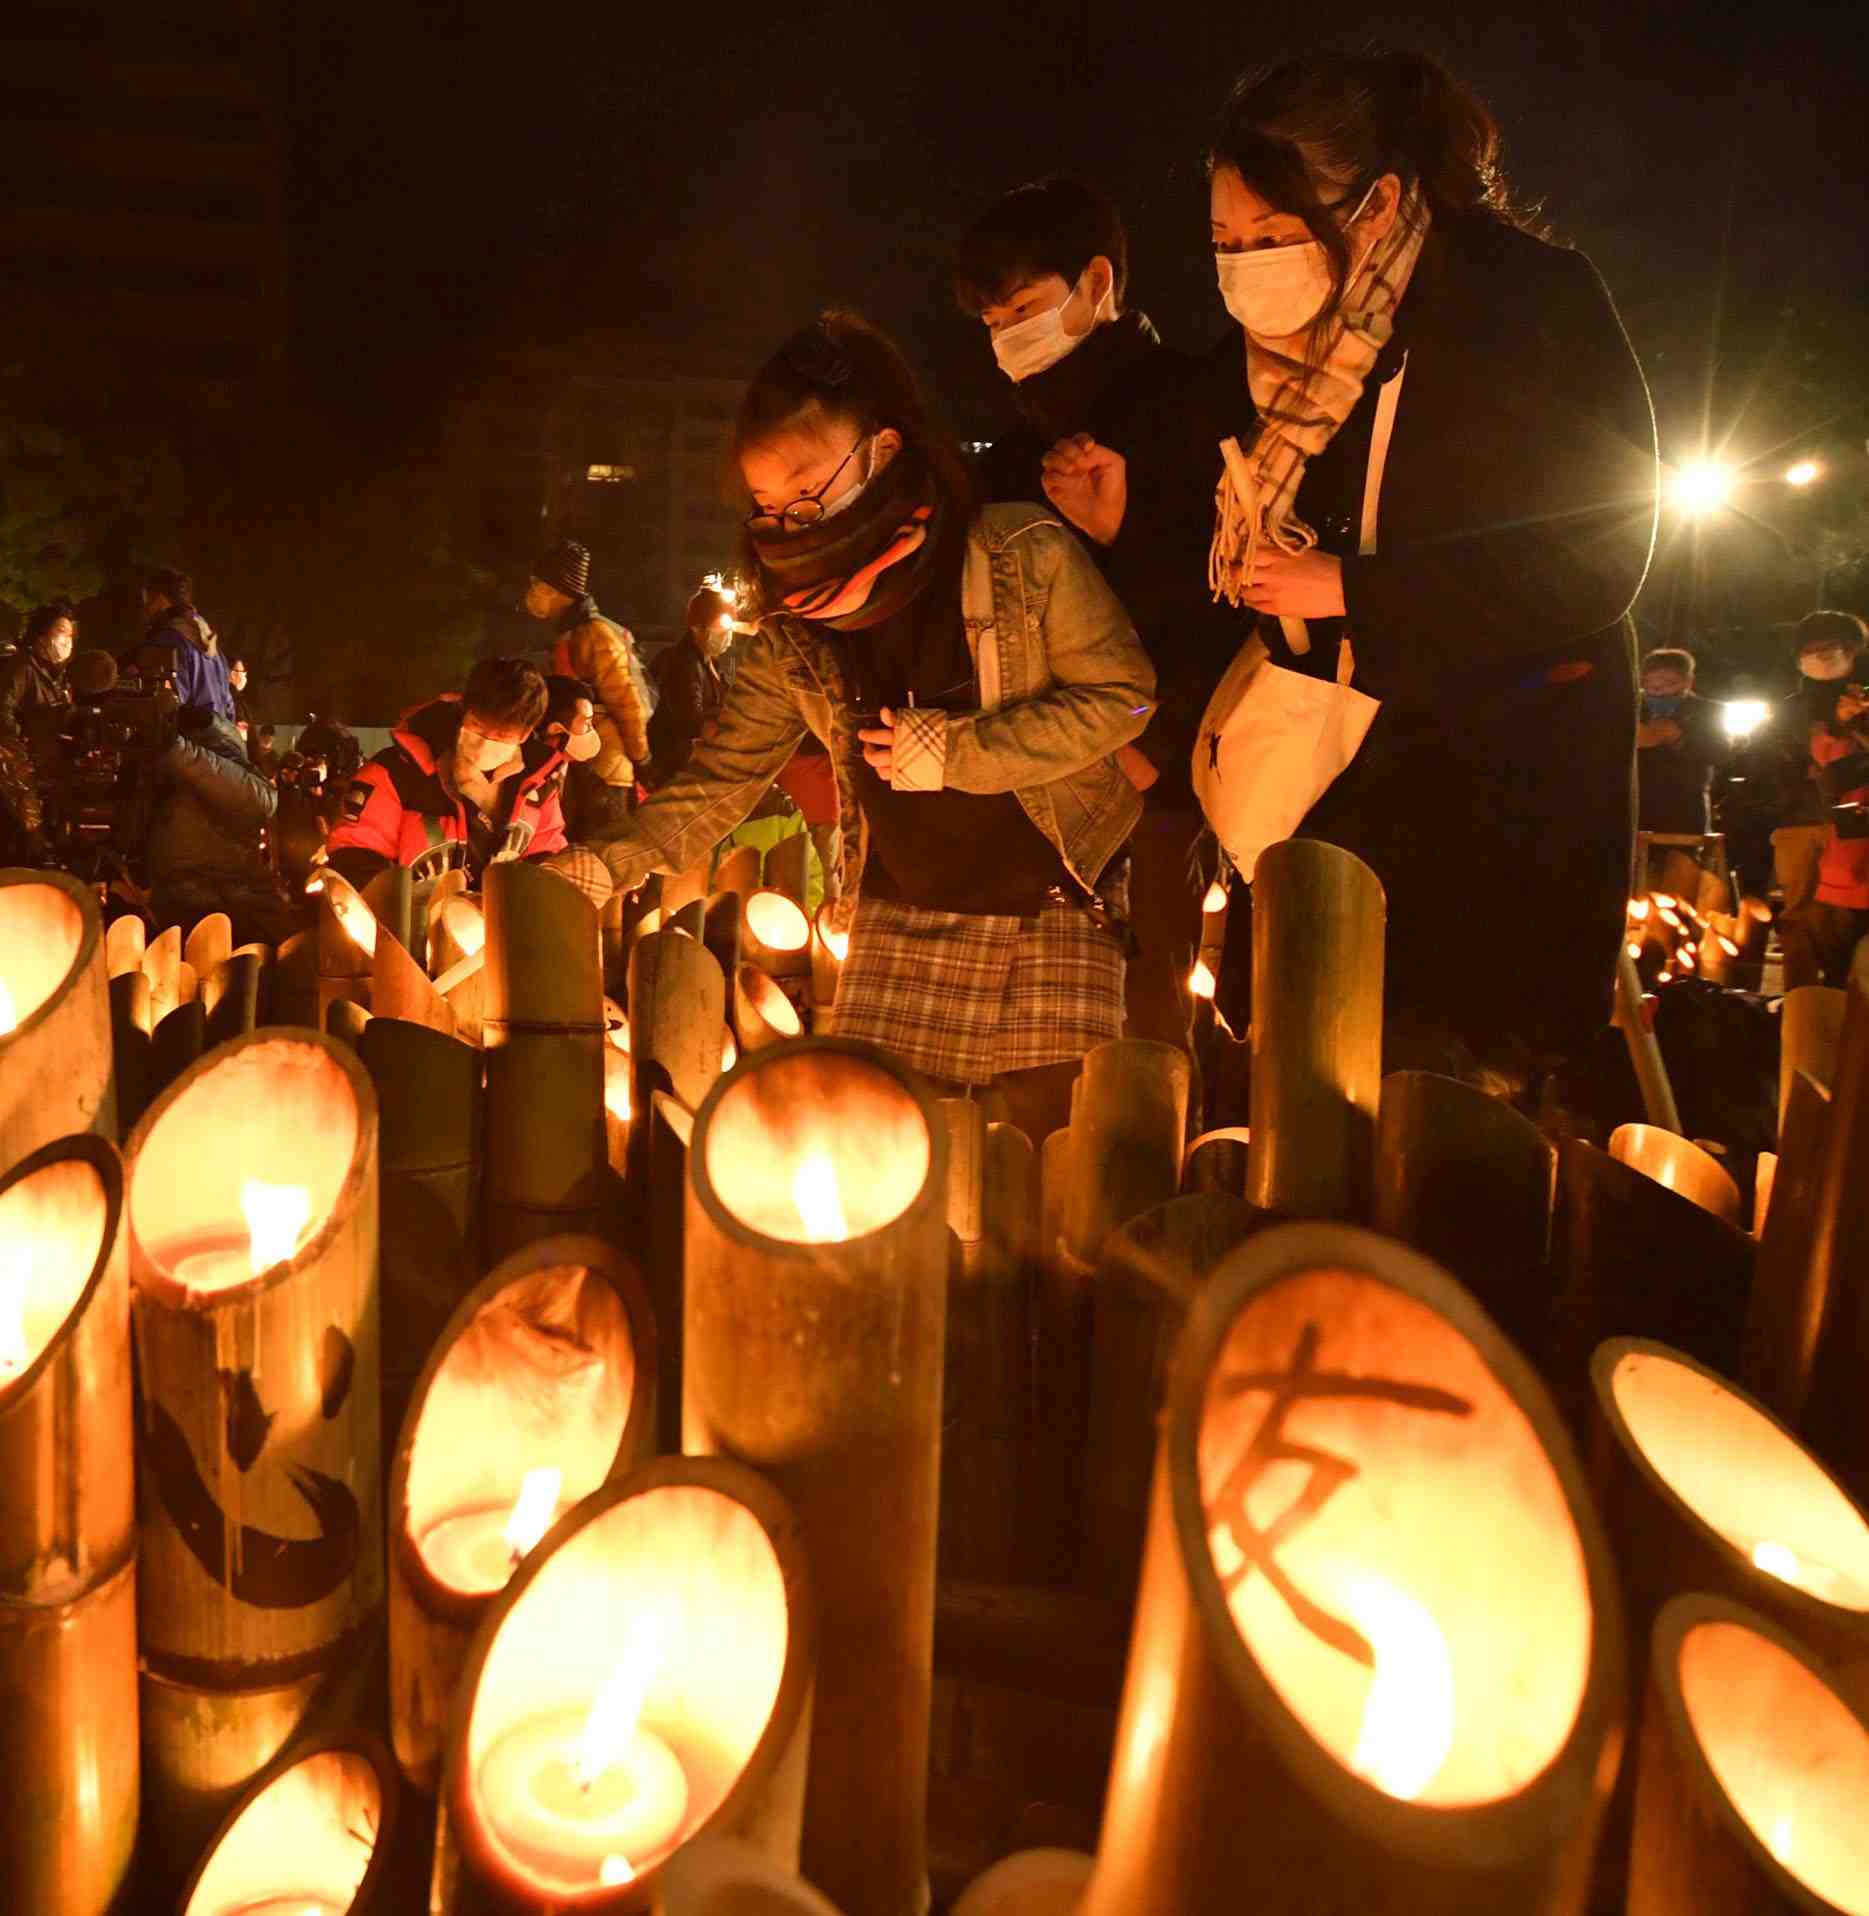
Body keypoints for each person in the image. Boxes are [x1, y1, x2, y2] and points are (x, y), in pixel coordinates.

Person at [1120, 48, 1655, 1091]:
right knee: (1300, 1098)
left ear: (1379, 202)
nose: (1245, 267)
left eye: (1274, 236)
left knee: (1448, 1125)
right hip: (1325, 792)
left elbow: (1600, 557)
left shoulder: (1527, 305)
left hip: (1492, 800)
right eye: (1226, 240)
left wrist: (1356, 589)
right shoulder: (1265, 359)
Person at [592, 312, 1155, 1143]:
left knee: (1042, 1170)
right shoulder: (795, 631)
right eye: (769, 506)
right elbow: (722, 778)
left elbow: (1126, 698)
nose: (790, 523)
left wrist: (961, 752)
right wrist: (601, 865)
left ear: (886, 451)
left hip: (1050, 907)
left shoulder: (1017, 552)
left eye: (810, 491)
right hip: (897, 915)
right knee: (880, 1165)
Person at [956, 175, 1221, 1053]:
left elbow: (1234, 592)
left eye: (1023, 307)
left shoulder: (1193, 406)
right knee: (1040, 1033)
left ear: (1099, 285)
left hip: (1158, 777)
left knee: (1143, 1025)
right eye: (991, 325)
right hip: (1037, 775)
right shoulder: (1019, 448)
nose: (1007, 339)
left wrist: (1152, 756)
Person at [324, 654, 605, 902]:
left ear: (525, 733)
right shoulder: (395, 774)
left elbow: (546, 853)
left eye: (502, 736)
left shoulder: (539, 784)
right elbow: (355, 850)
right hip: (407, 942)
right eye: (477, 727)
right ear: (464, 713)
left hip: (501, 943)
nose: (484, 745)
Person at [526, 538, 653, 836]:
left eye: (538, 585)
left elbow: (628, 703)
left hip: (603, 773)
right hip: (578, 766)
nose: (532, 593)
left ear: (558, 590)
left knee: (598, 859)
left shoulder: (595, 635)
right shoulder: (570, 635)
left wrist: (641, 759)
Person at [1772, 612, 1867, 989]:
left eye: (1831, 648)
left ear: (1855, 650)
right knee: (1798, 920)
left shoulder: (1861, 700)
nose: (1821, 657)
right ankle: (1801, 1006)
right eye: (1811, 650)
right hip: (1798, 820)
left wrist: (1855, 724)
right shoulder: (1791, 707)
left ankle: (1847, 1000)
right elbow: (1772, 764)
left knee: (1844, 918)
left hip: (1853, 825)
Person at [1636, 647, 1725, 901]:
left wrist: (1679, 739)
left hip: (1684, 805)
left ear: (1688, 681)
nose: (1660, 689)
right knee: (1636, 881)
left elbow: (1722, 754)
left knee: (1679, 879)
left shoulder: (1707, 712)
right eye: (1653, 683)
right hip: (1636, 804)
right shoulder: (1629, 707)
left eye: (1670, 682)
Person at [0, 601, 77, 862]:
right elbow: (3, 710)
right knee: (29, 830)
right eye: (60, 632)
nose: (65, 641)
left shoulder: (59, 677)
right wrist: (20, 747)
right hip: (18, 762)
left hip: (48, 764)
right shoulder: (22, 667)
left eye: (69, 635)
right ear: (42, 634)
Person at [643, 584, 741, 789]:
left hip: (698, 765)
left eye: (729, 629)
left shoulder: (711, 663)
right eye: (720, 629)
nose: (727, 636)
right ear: (697, 628)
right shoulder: (682, 663)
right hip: (676, 770)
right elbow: (690, 722)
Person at [140, 567, 235, 724]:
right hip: (218, 737)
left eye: (146, 598)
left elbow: (169, 706)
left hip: (189, 741)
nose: (145, 607)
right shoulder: (209, 637)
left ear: (158, 599)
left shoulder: (168, 639)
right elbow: (228, 703)